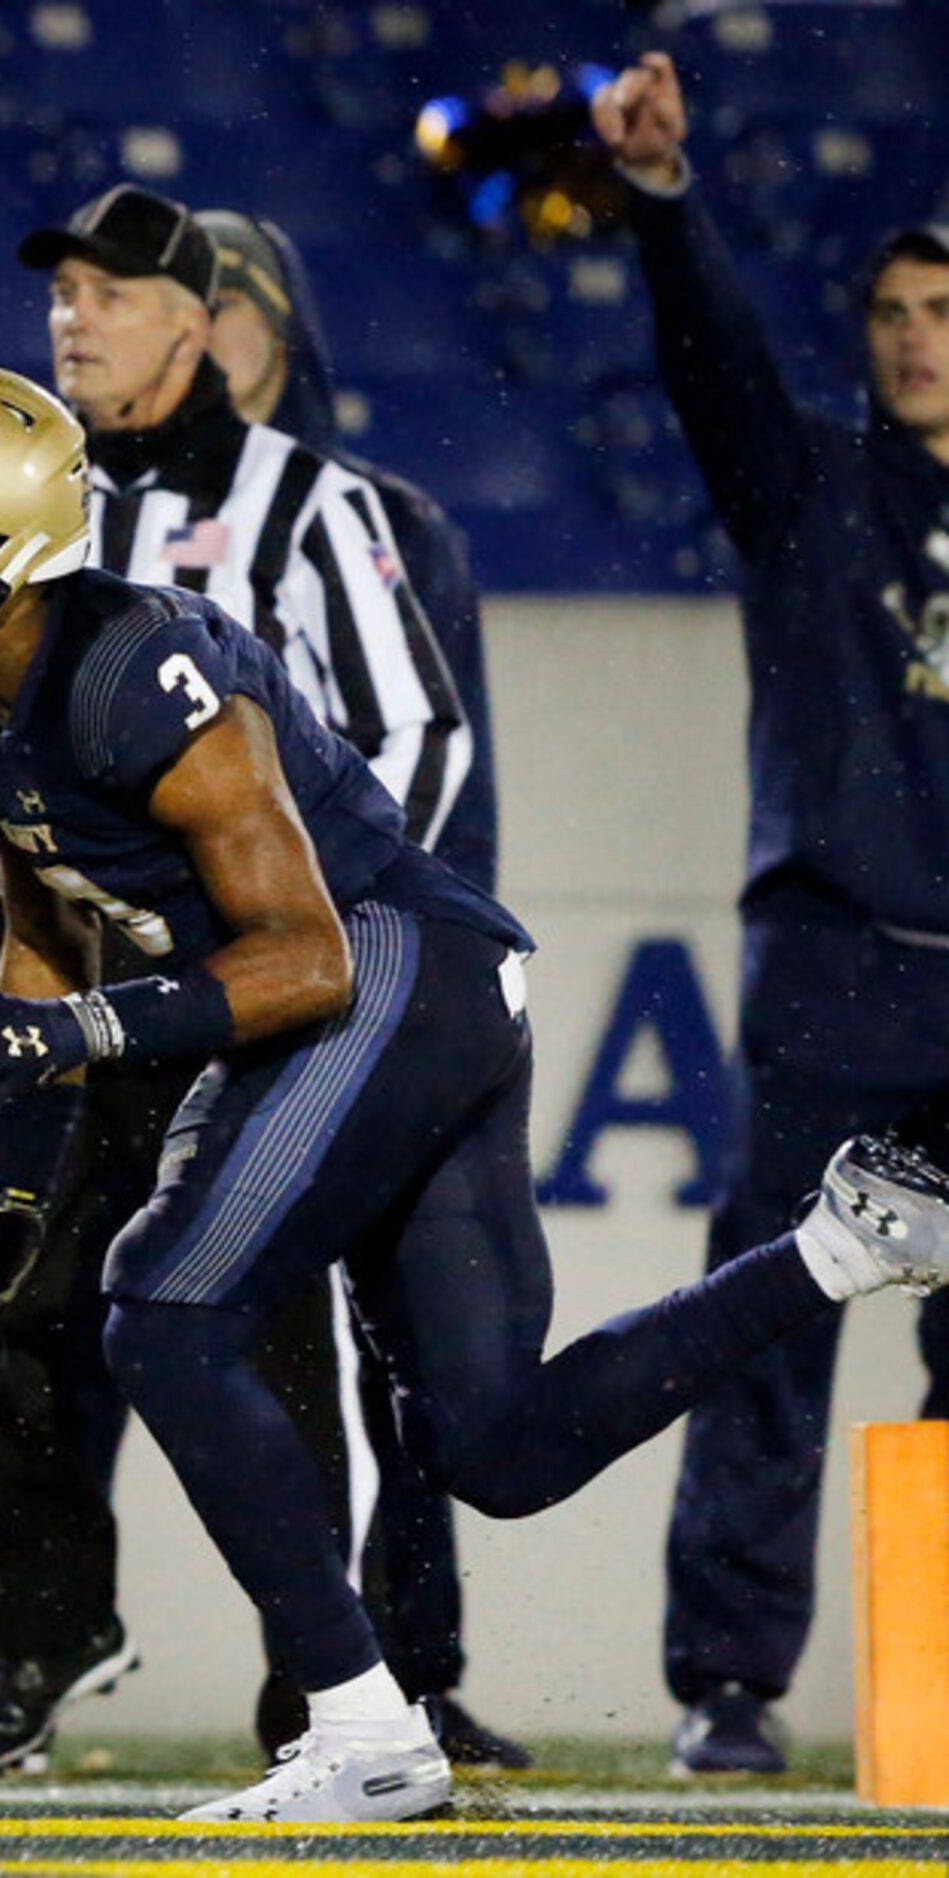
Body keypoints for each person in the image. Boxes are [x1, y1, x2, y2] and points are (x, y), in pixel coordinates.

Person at [0, 360, 948, 1822]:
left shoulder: (138, 668)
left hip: (394, 967)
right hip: (402, 993)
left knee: (162, 1308)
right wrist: (16, 1198)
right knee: (497, 1447)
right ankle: (852, 1240)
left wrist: (81, 1035)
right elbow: (44, 922)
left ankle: (360, 1726)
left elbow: (308, 959)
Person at [0, 182, 470, 1781]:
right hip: (54, 972)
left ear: (197, 326)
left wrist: (339, 951)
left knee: (266, 1337)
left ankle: (326, 1697)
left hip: (261, 984)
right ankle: (43, 1621)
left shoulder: (311, 506)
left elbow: (417, 737)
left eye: (112, 293)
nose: (75, 315)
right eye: (61, 290)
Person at [591, 49, 949, 1777]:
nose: (911, 336)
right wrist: (661, 209)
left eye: (942, 307)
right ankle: (727, 1680)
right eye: (889, 308)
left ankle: (939, 1696)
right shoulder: (804, 487)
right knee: (767, 1320)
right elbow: (709, 365)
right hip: (825, 970)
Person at [192, 206, 524, 1770]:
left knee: (417, 1350)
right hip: (219, 987)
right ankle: (325, 1687)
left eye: (225, 308)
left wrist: (401, 971)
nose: (199, 339)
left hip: (374, 972)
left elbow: (446, 764)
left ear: (276, 332)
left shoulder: (369, 515)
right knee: (197, 1328)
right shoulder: (97, 514)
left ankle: (419, 1665)